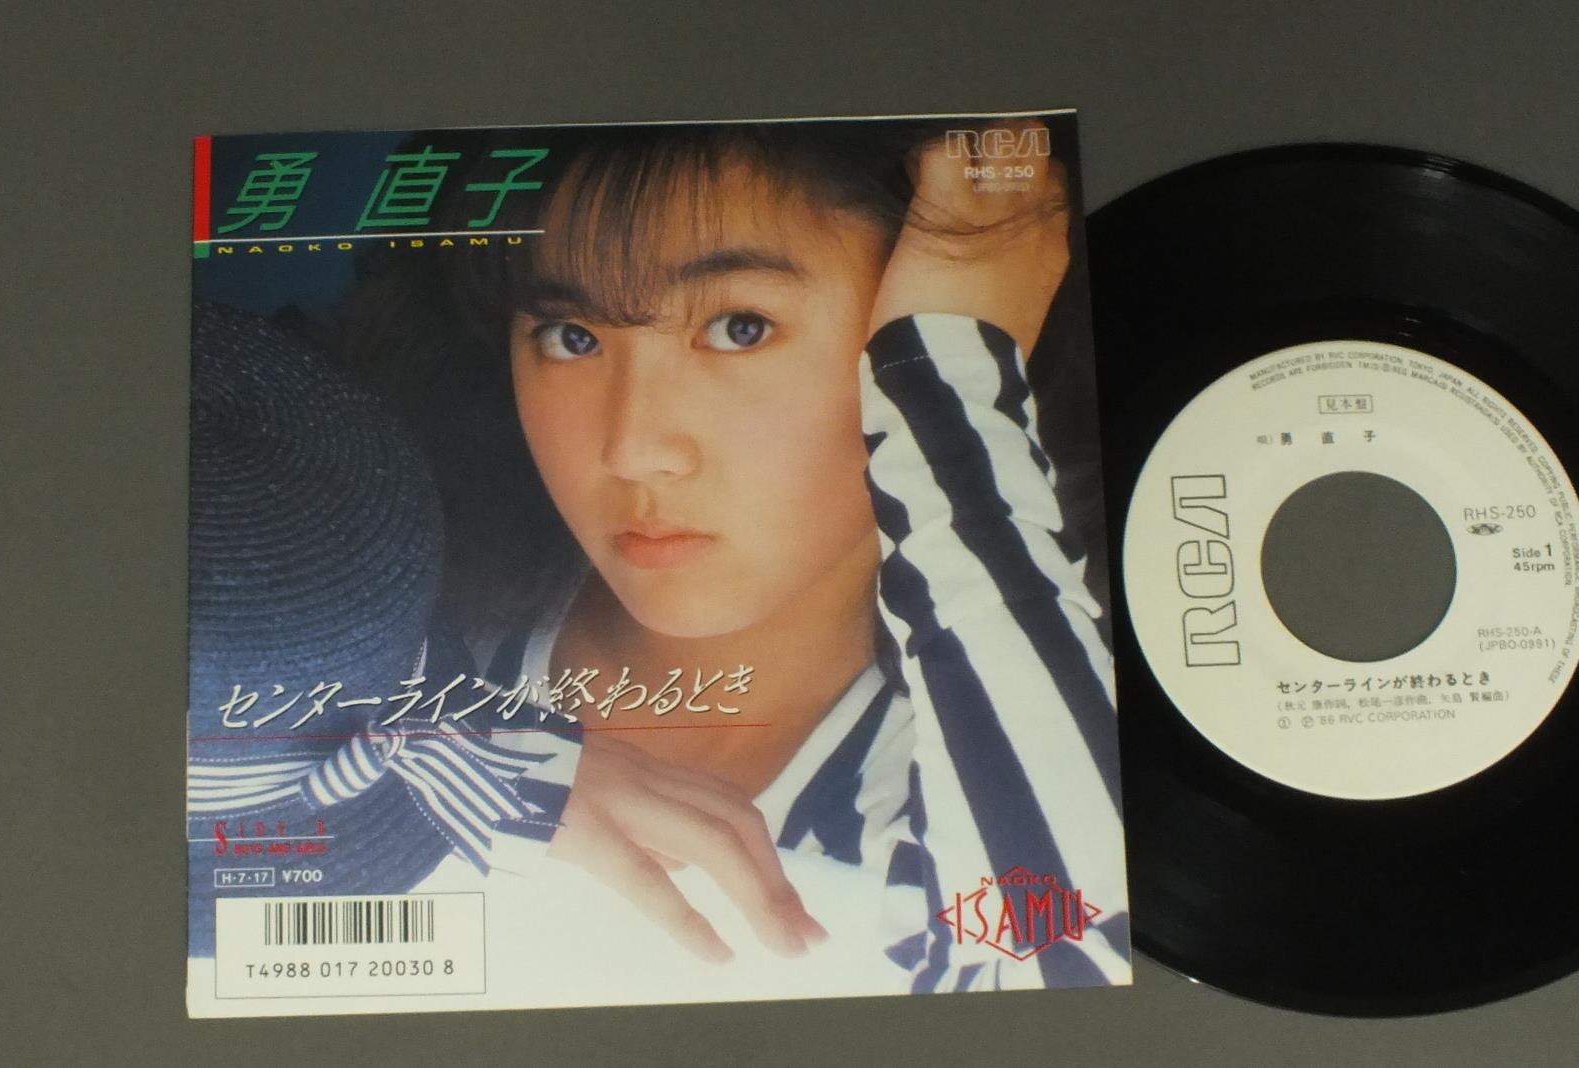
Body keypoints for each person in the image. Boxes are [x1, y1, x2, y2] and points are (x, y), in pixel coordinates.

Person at [204, 117, 1129, 992]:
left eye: (739, 327)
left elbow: (1068, 972)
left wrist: (951, 382)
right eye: (572, 337)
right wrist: (496, 766)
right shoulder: (354, 626)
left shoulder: (992, 763)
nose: (633, 448)